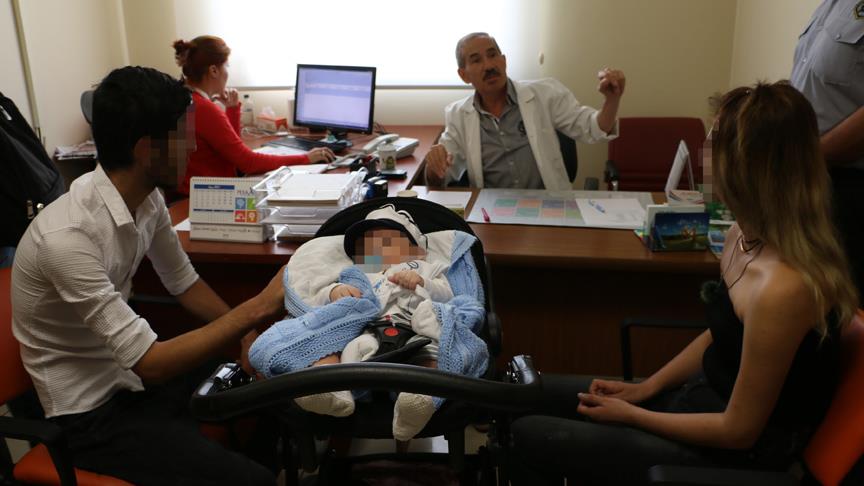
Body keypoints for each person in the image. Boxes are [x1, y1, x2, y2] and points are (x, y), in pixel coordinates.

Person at [508, 82, 859, 484]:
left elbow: (739, 431)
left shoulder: (785, 288)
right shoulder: (740, 237)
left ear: (746, 167)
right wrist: (646, 388)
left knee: (529, 435)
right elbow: (721, 334)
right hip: (700, 400)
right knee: (525, 393)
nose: (703, 151)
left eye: (713, 143)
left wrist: (635, 415)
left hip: (738, 453)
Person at [11, 66, 287, 486]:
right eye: (184, 136)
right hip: (88, 415)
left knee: (272, 385)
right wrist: (256, 309)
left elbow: (183, 281)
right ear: (147, 149)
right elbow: (153, 364)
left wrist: (247, 337)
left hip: (132, 380)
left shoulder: (147, 199)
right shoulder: (67, 238)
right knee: (251, 479)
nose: (193, 145)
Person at [249, 205, 487, 442]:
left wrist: (423, 283)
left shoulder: (428, 268)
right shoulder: (357, 274)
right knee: (338, 346)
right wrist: (336, 292)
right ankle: (331, 388)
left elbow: (450, 295)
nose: (375, 251)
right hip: (369, 330)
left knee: (432, 355)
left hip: (417, 330)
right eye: (365, 249)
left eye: (386, 243)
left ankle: (418, 400)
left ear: (417, 251)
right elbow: (318, 300)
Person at [424, 32, 625, 189]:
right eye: (476, 60)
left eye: (493, 55)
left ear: (504, 60)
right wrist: (434, 166)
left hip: (549, 203)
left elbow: (593, 128)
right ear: (463, 75)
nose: (489, 65)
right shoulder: (458, 115)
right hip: (492, 213)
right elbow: (439, 178)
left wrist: (612, 100)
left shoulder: (545, 93)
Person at [173, 36, 335, 195]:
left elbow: (231, 152)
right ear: (214, 70)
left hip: (190, 191)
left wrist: (232, 109)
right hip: (205, 196)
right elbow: (248, 162)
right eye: (226, 66)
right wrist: (306, 158)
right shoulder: (204, 109)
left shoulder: (185, 98)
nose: (228, 72)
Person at [790, 0, 864, 301]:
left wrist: (807, 156)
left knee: (842, 312)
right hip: (807, 183)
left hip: (850, 195)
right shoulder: (833, 4)